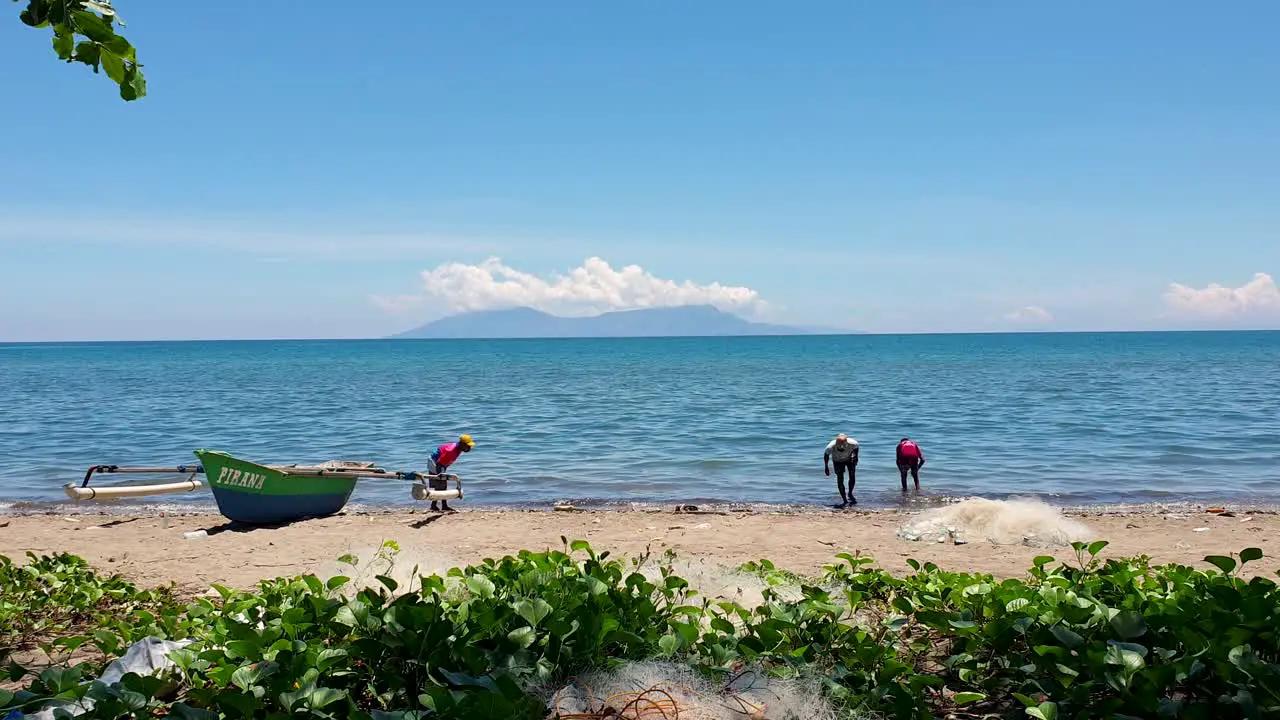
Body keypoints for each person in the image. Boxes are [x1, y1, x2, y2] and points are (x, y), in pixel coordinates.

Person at [428, 434, 475, 512]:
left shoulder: (458, 449)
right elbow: (439, 464)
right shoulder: (451, 451)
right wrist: (439, 476)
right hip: (434, 462)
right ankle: (435, 505)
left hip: (441, 464)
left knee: (442, 485)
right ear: (462, 444)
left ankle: (442, 505)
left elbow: (444, 462)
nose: (470, 448)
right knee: (440, 484)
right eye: (468, 446)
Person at [823, 433, 860, 506]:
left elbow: (856, 450)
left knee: (852, 475)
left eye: (843, 445)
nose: (841, 447)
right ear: (836, 443)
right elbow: (826, 456)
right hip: (837, 461)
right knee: (840, 479)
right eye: (839, 446)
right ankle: (844, 499)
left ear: (847, 442)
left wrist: (855, 457)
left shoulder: (854, 443)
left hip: (849, 458)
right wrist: (826, 467)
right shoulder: (830, 447)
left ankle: (850, 493)